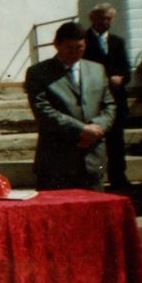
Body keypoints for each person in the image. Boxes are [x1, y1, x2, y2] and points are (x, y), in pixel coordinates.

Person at [25, 21, 116, 191]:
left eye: (79, 47)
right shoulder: (38, 72)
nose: (74, 52)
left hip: (93, 158)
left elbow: (109, 105)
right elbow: (43, 110)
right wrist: (81, 130)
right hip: (57, 162)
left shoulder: (97, 69)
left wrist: (97, 128)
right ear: (56, 45)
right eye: (69, 48)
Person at [83, 3, 132, 189]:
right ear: (92, 19)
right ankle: (93, 179)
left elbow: (126, 71)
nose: (104, 22)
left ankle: (118, 179)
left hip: (116, 100)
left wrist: (121, 78)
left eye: (108, 19)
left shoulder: (117, 42)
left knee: (117, 142)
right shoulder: (84, 41)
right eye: (101, 18)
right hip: (93, 100)